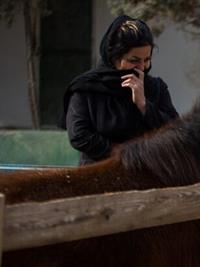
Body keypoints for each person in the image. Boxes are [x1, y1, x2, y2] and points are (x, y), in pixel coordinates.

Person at [59, 15, 179, 165]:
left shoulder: (156, 88)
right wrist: (124, 155)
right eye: (133, 60)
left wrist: (144, 105)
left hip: (147, 174)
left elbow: (174, 131)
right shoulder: (87, 89)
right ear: (114, 57)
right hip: (98, 174)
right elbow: (79, 136)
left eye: (147, 60)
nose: (141, 68)